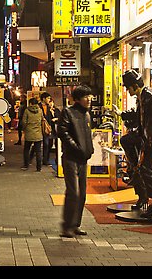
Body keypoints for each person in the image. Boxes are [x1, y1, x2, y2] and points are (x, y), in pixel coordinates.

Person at [113, 69, 152, 219]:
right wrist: (121, 114)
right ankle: (144, 194)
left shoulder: (151, 96)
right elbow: (137, 114)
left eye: (128, 87)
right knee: (128, 144)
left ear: (135, 85)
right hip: (147, 136)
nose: (127, 91)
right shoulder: (142, 96)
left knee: (146, 167)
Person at [57, 85, 94, 238]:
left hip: (83, 158)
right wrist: (76, 147)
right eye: (86, 97)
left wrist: (88, 150)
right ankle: (67, 226)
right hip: (71, 157)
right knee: (73, 192)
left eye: (90, 97)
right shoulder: (68, 112)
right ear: (78, 99)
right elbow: (62, 132)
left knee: (83, 193)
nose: (89, 99)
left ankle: (76, 224)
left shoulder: (86, 115)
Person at [21, 97, 45, 172]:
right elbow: (42, 120)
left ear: (30, 103)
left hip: (29, 133)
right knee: (38, 151)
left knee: (26, 149)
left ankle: (26, 165)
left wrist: (24, 129)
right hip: (38, 133)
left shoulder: (27, 111)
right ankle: (39, 167)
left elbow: (24, 122)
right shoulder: (40, 110)